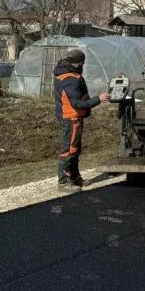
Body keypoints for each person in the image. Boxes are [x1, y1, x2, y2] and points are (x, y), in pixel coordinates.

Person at [53, 48, 110, 192]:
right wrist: (99, 99)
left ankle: (75, 178)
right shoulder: (70, 79)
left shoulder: (65, 74)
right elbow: (77, 103)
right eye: (82, 62)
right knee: (68, 150)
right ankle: (64, 182)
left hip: (72, 117)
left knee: (75, 149)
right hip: (71, 118)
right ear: (78, 62)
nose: (83, 64)